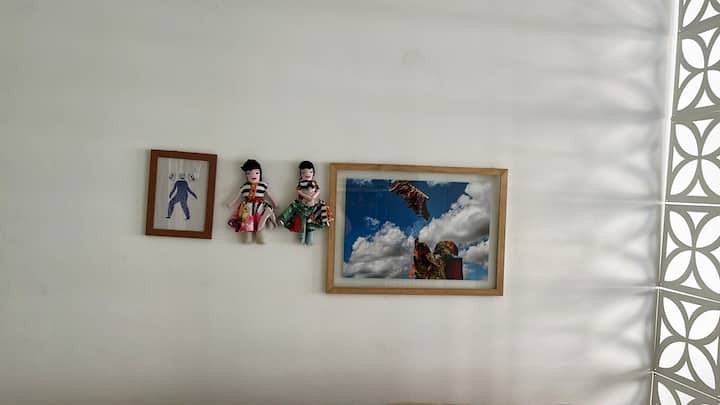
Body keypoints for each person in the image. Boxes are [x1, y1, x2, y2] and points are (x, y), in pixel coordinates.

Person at [278, 161, 332, 245]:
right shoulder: (301, 183)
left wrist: (313, 197)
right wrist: (306, 196)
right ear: (300, 174)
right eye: (304, 172)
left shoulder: (314, 183)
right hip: (302, 206)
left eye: (310, 172)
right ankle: (284, 219)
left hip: (312, 206)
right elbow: (298, 191)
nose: (307, 174)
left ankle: (311, 235)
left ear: (313, 173)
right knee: (300, 220)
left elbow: (318, 190)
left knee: (312, 222)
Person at [226, 159, 277, 244]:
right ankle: (248, 236)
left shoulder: (263, 185)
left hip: (260, 206)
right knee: (247, 221)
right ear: (246, 175)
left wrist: (274, 203)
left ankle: (260, 236)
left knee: (260, 220)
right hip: (247, 207)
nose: (253, 175)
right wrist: (230, 203)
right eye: (249, 173)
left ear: (260, 173)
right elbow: (237, 196)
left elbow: (269, 194)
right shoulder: (245, 186)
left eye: (257, 173)